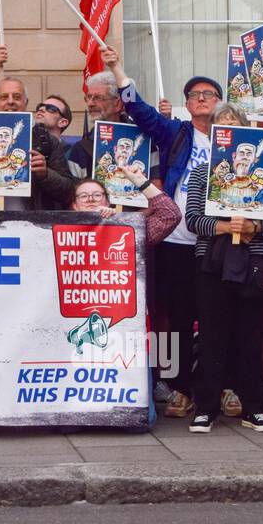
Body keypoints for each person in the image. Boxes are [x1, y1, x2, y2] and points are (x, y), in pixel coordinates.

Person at [100, 44, 222, 419]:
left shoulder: (233, 137)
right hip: (176, 240)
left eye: (208, 94)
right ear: (187, 103)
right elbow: (140, 111)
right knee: (177, 318)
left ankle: (225, 387)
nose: (201, 99)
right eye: (194, 95)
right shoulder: (178, 134)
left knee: (220, 317)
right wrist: (118, 68)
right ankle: (181, 388)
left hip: (217, 241)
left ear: (219, 101)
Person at [183, 103, 263, 434]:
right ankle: (206, 408)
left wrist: (256, 227)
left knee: (250, 336)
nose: (229, 134)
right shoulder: (202, 172)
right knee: (212, 336)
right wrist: (225, 227)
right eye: (221, 126)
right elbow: (193, 219)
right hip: (214, 262)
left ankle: (253, 407)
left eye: (235, 126)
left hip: (256, 262)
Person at [0, 77, 74, 211]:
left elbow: (68, 192)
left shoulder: (47, 141)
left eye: (16, 97)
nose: (10, 102)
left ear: (25, 102)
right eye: (4, 97)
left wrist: (46, 175)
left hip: (32, 226)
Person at [67, 70, 130, 179]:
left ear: (118, 104)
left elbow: (156, 186)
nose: (90, 104)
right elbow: (74, 192)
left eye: (98, 98)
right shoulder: (80, 149)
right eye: (88, 97)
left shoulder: (142, 140)